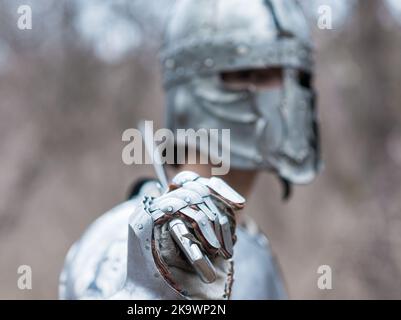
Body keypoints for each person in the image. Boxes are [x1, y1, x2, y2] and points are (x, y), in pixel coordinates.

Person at [59, 0, 321, 300]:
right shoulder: (126, 242)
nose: (293, 96)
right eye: (265, 75)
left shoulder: (253, 249)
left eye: (298, 77)